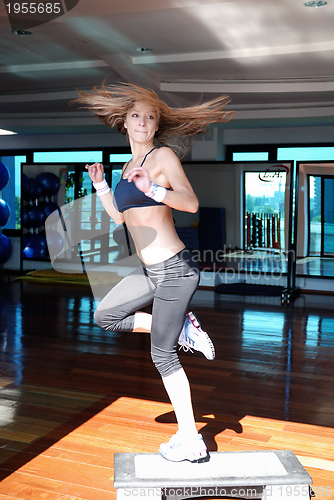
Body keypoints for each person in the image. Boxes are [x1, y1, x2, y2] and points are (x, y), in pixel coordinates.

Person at [75, 83, 234, 462]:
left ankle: (190, 438)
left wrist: (156, 191)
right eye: (136, 115)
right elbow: (120, 216)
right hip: (149, 272)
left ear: (157, 123)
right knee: (105, 315)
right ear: (124, 123)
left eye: (150, 116)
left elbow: (192, 203)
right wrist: (100, 185)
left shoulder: (162, 158)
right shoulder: (128, 166)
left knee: (162, 355)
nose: (143, 122)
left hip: (175, 271)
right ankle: (181, 328)